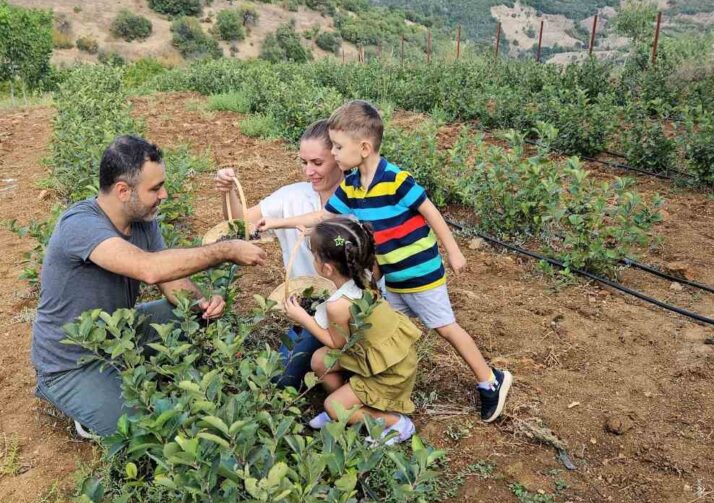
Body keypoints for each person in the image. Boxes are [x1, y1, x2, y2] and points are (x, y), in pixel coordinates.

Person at [259, 100, 514, 423]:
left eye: (338, 147)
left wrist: (453, 250)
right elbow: (324, 215)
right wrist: (278, 223)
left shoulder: (395, 179)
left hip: (420, 274)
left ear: (364, 148)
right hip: (391, 278)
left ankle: (490, 380)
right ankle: (369, 394)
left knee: (446, 328)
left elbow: (429, 210)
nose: (334, 153)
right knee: (382, 332)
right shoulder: (351, 186)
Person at [31, 135, 267, 437]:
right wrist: (225, 250)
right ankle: (80, 401)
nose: (164, 194)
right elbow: (150, 269)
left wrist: (202, 304)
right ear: (122, 190)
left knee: (194, 314)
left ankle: (121, 374)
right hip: (72, 361)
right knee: (148, 430)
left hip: (121, 331)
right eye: (155, 188)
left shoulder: (143, 219)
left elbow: (170, 281)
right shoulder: (80, 224)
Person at [213, 120, 346, 390]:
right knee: (280, 378)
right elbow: (241, 225)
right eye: (303, 162)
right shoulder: (292, 197)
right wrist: (228, 193)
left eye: (317, 163)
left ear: (339, 157)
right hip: (311, 310)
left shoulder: (358, 199)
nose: (309, 171)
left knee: (355, 364)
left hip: (351, 309)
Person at [281, 217, 421, 445]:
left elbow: (335, 343)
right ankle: (348, 405)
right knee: (319, 360)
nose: (313, 258)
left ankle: (394, 423)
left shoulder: (338, 305)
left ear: (326, 268)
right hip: (387, 354)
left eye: (314, 254)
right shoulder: (364, 272)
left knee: (331, 404)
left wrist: (303, 318)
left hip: (388, 373)